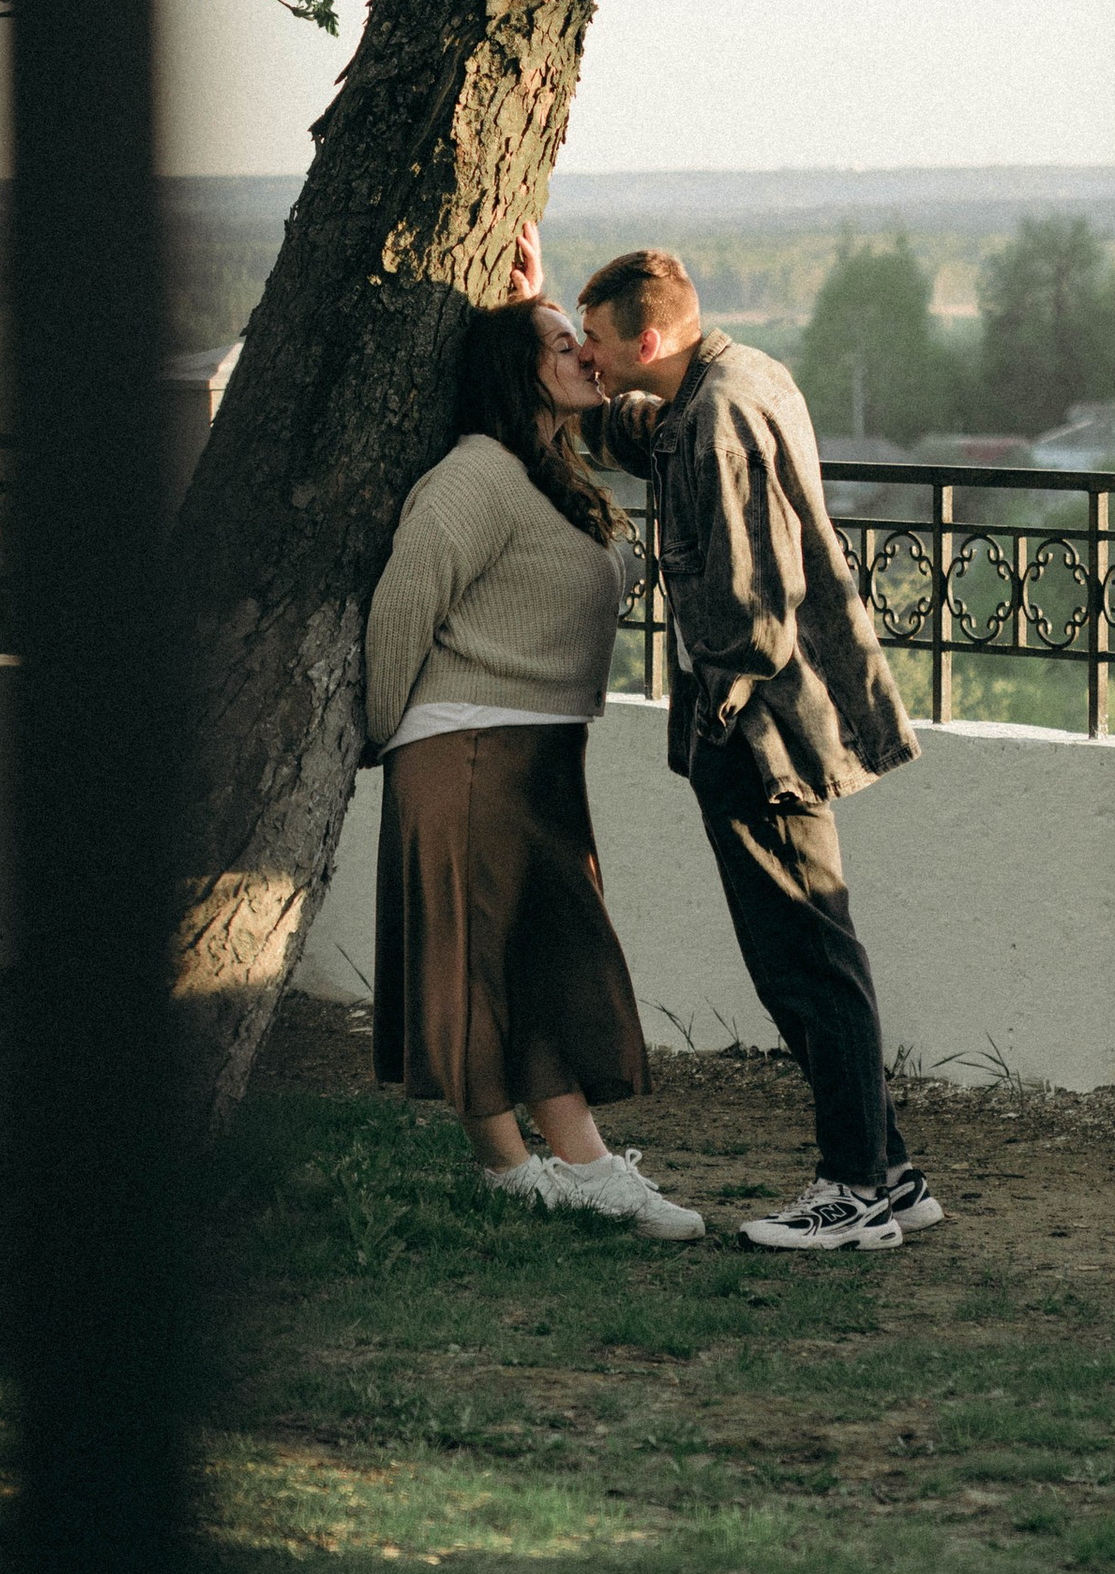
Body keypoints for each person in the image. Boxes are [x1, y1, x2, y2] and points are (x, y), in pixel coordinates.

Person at [577, 249, 941, 1254]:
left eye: (597, 342)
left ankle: (855, 1189)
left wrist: (715, 722)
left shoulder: (717, 419)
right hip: (773, 719)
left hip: (761, 730)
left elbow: (750, 609)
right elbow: (629, 431)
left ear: (648, 338)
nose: (592, 360)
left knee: (808, 957)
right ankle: (892, 1174)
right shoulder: (728, 382)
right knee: (811, 950)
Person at [364, 292, 705, 1240]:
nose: (585, 355)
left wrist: (546, 292)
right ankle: (510, 1176)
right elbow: (404, 603)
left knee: (554, 968)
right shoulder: (477, 474)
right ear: (516, 370)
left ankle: (589, 1170)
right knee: (474, 970)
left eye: (584, 340)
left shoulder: (558, 471)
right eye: (561, 345)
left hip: (543, 751)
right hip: (467, 748)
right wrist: (382, 734)